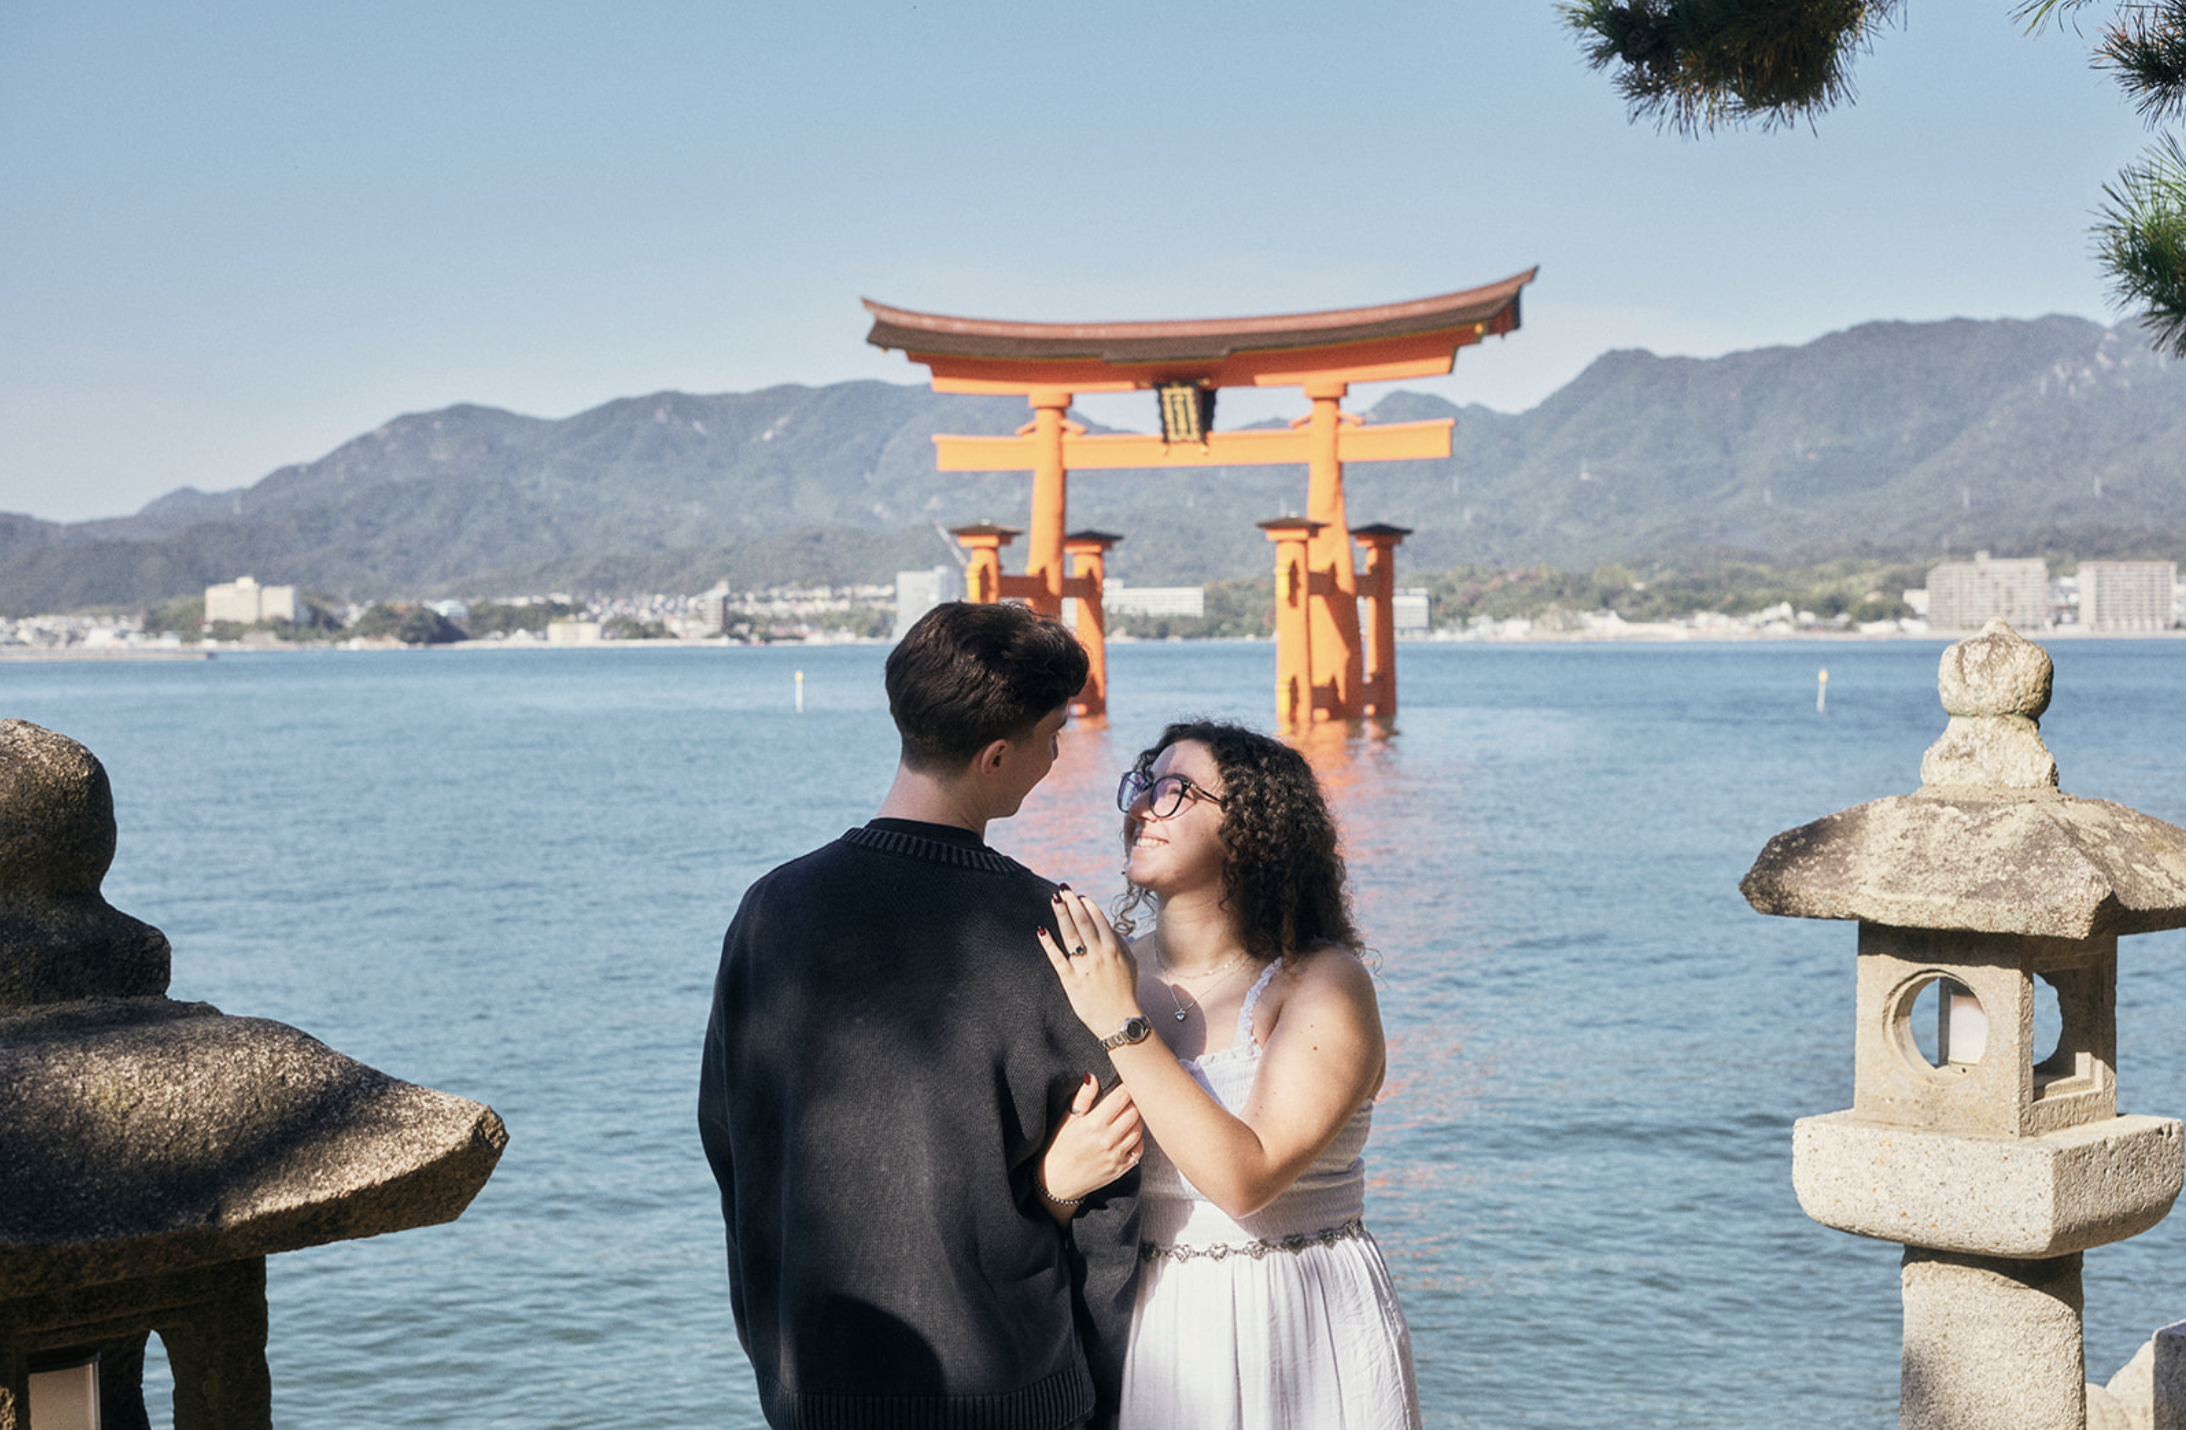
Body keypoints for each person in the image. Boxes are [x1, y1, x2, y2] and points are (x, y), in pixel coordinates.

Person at [698, 601, 1143, 1430]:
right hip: (1012, 1395)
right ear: (998, 753)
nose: (1054, 757)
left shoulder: (772, 909)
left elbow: (735, 1147)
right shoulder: (1055, 930)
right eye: (1054, 736)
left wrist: (776, 1353)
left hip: (813, 1381)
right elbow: (1110, 1205)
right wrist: (1103, 1394)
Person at [1036, 720, 1423, 1430]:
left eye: (1175, 790)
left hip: (1298, 1314)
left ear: (1252, 827)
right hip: (1144, 1326)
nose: (1142, 806)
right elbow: (1052, 1194)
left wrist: (1122, 1023)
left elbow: (1246, 1178)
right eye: (1144, 783)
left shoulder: (1323, 984)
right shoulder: (1103, 972)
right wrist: (1056, 1186)